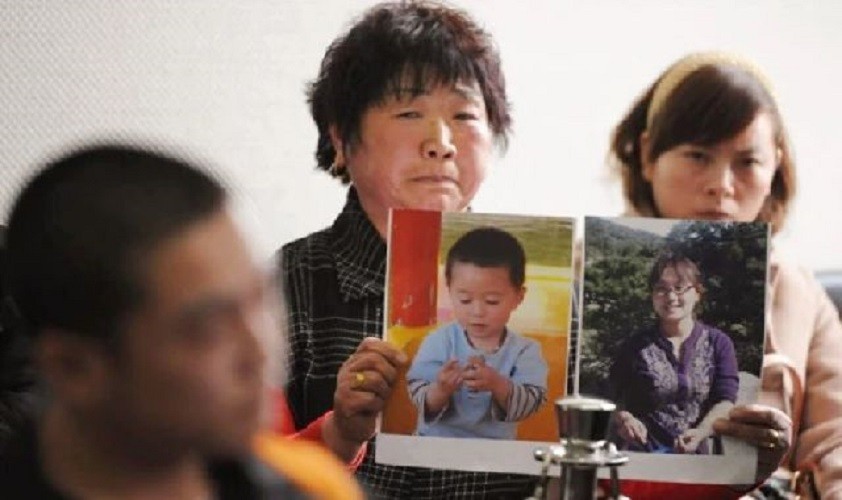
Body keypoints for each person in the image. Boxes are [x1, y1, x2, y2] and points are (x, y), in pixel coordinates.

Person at [279, 1, 538, 496]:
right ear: (341, 139)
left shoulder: (554, 281)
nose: (440, 142)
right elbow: (232, 475)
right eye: (409, 112)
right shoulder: (284, 285)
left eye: (464, 114)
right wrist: (338, 434)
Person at [0, 145, 363, 499]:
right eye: (209, 329)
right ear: (74, 367)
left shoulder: (312, 487)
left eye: (262, 302)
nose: (262, 353)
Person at [608, 51, 842, 498]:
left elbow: (835, 439)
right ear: (648, 156)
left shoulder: (797, 290)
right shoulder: (582, 266)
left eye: (747, 162)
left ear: (774, 167)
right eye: (698, 156)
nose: (722, 184)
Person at [407, 227, 548, 440]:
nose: (477, 311)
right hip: (433, 445)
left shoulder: (525, 350)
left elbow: (531, 403)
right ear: (449, 291)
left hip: (495, 452)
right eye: (465, 300)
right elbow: (418, 394)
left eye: (492, 301)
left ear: (518, 297)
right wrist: (441, 390)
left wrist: (496, 383)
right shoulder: (439, 341)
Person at [608, 252, 739, 454]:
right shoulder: (635, 345)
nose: (670, 297)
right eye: (661, 289)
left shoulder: (718, 343)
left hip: (697, 457)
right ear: (652, 295)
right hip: (645, 454)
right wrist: (624, 418)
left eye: (679, 288)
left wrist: (701, 432)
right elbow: (610, 397)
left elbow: (725, 400)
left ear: (697, 293)